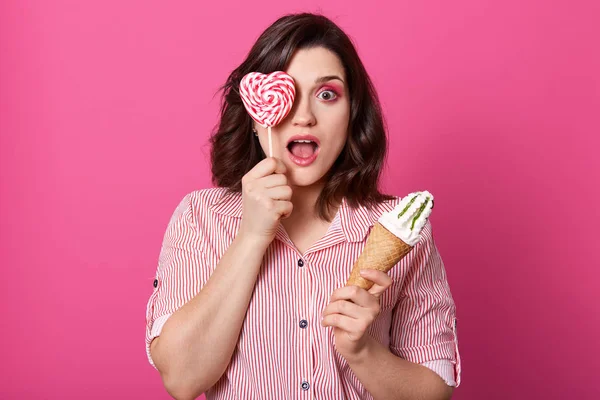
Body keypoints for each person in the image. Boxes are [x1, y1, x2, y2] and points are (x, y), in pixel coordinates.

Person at [145, 12, 461, 400]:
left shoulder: (400, 230)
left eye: (327, 94)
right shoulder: (201, 218)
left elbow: (435, 393)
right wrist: (251, 237)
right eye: (287, 94)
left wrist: (363, 353)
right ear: (257, 117)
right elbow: (182, 379)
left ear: (352, 115)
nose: (305, 116)